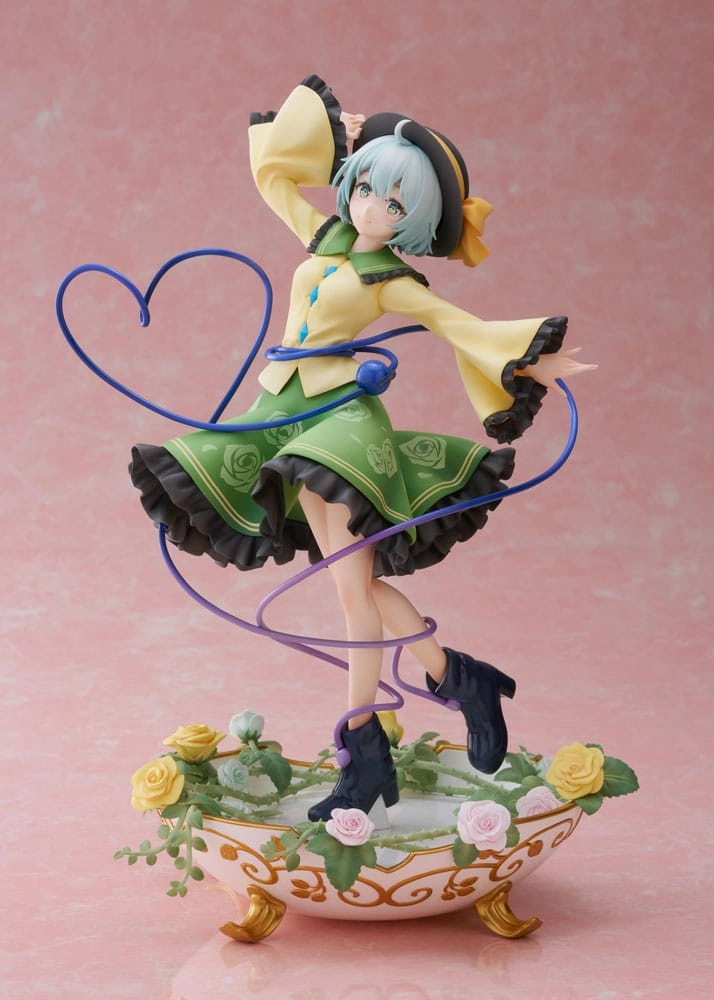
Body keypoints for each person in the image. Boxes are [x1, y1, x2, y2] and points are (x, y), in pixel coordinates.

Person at [130, 75, 593, 823]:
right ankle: (460, 679)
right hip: (281, 411)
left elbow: (455, 324)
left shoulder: (392, 279)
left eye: (396, 204)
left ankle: (364, 747)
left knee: (350, 590)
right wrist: (329, 135)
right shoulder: (323, 238)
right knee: (358, 584)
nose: (373, 207)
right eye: (367, 185)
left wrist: (528, 360)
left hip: (340, 424)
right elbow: (272, 177)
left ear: (414, 223)